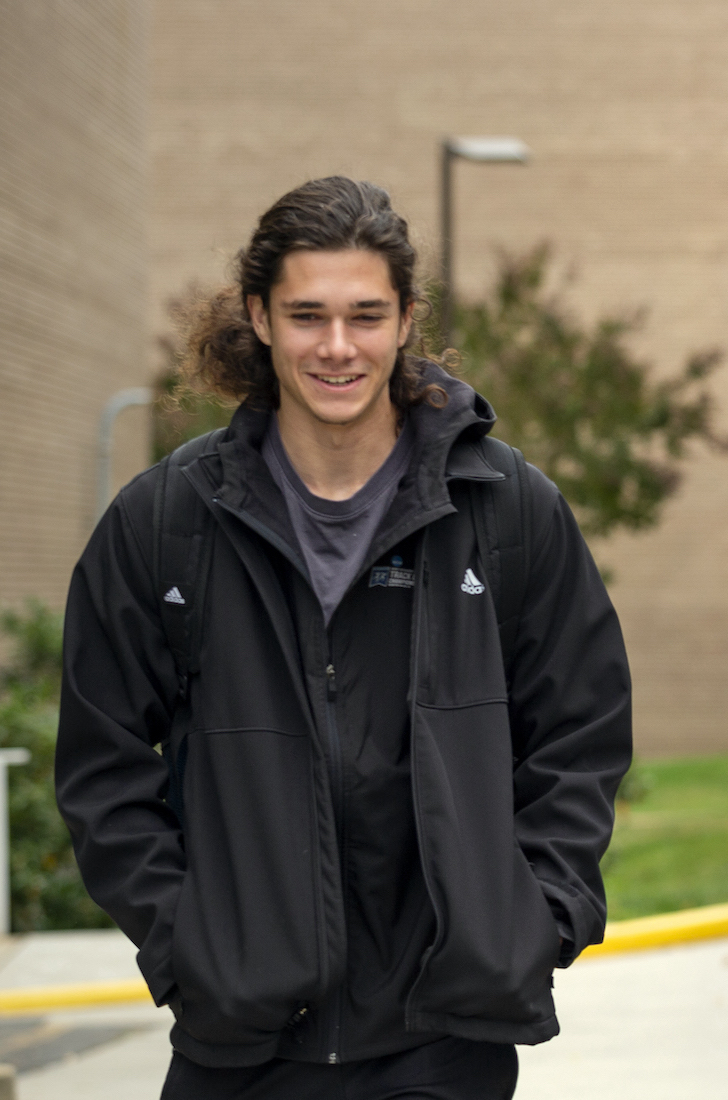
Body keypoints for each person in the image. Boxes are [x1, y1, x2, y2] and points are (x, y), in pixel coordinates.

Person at [56, 177, 633, 1098]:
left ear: (407, 319)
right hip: (238, 1043)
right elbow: (101, 767)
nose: (336, 347)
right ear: (259, 317)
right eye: (306, 316)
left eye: (365, 315)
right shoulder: (166, 522)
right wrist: (189, 943)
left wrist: (535, 916)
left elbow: (582, 731)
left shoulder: (504, 511)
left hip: (442, 1040)